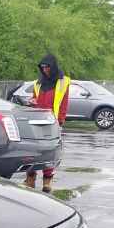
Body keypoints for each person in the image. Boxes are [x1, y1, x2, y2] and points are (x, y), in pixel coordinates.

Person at [25, 53, 70, 193]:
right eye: (42, 67)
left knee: (49, 152)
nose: (45, 70)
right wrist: (32, 103)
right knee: (33, 151)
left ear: (53, 66)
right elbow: (35, 100)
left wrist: (60, 122)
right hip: (36, 121)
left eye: (47, 67)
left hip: (53, 121)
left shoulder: (63, 82)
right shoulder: (38, 83)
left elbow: (64, 104)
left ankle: (47, 180)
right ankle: (30, 178)